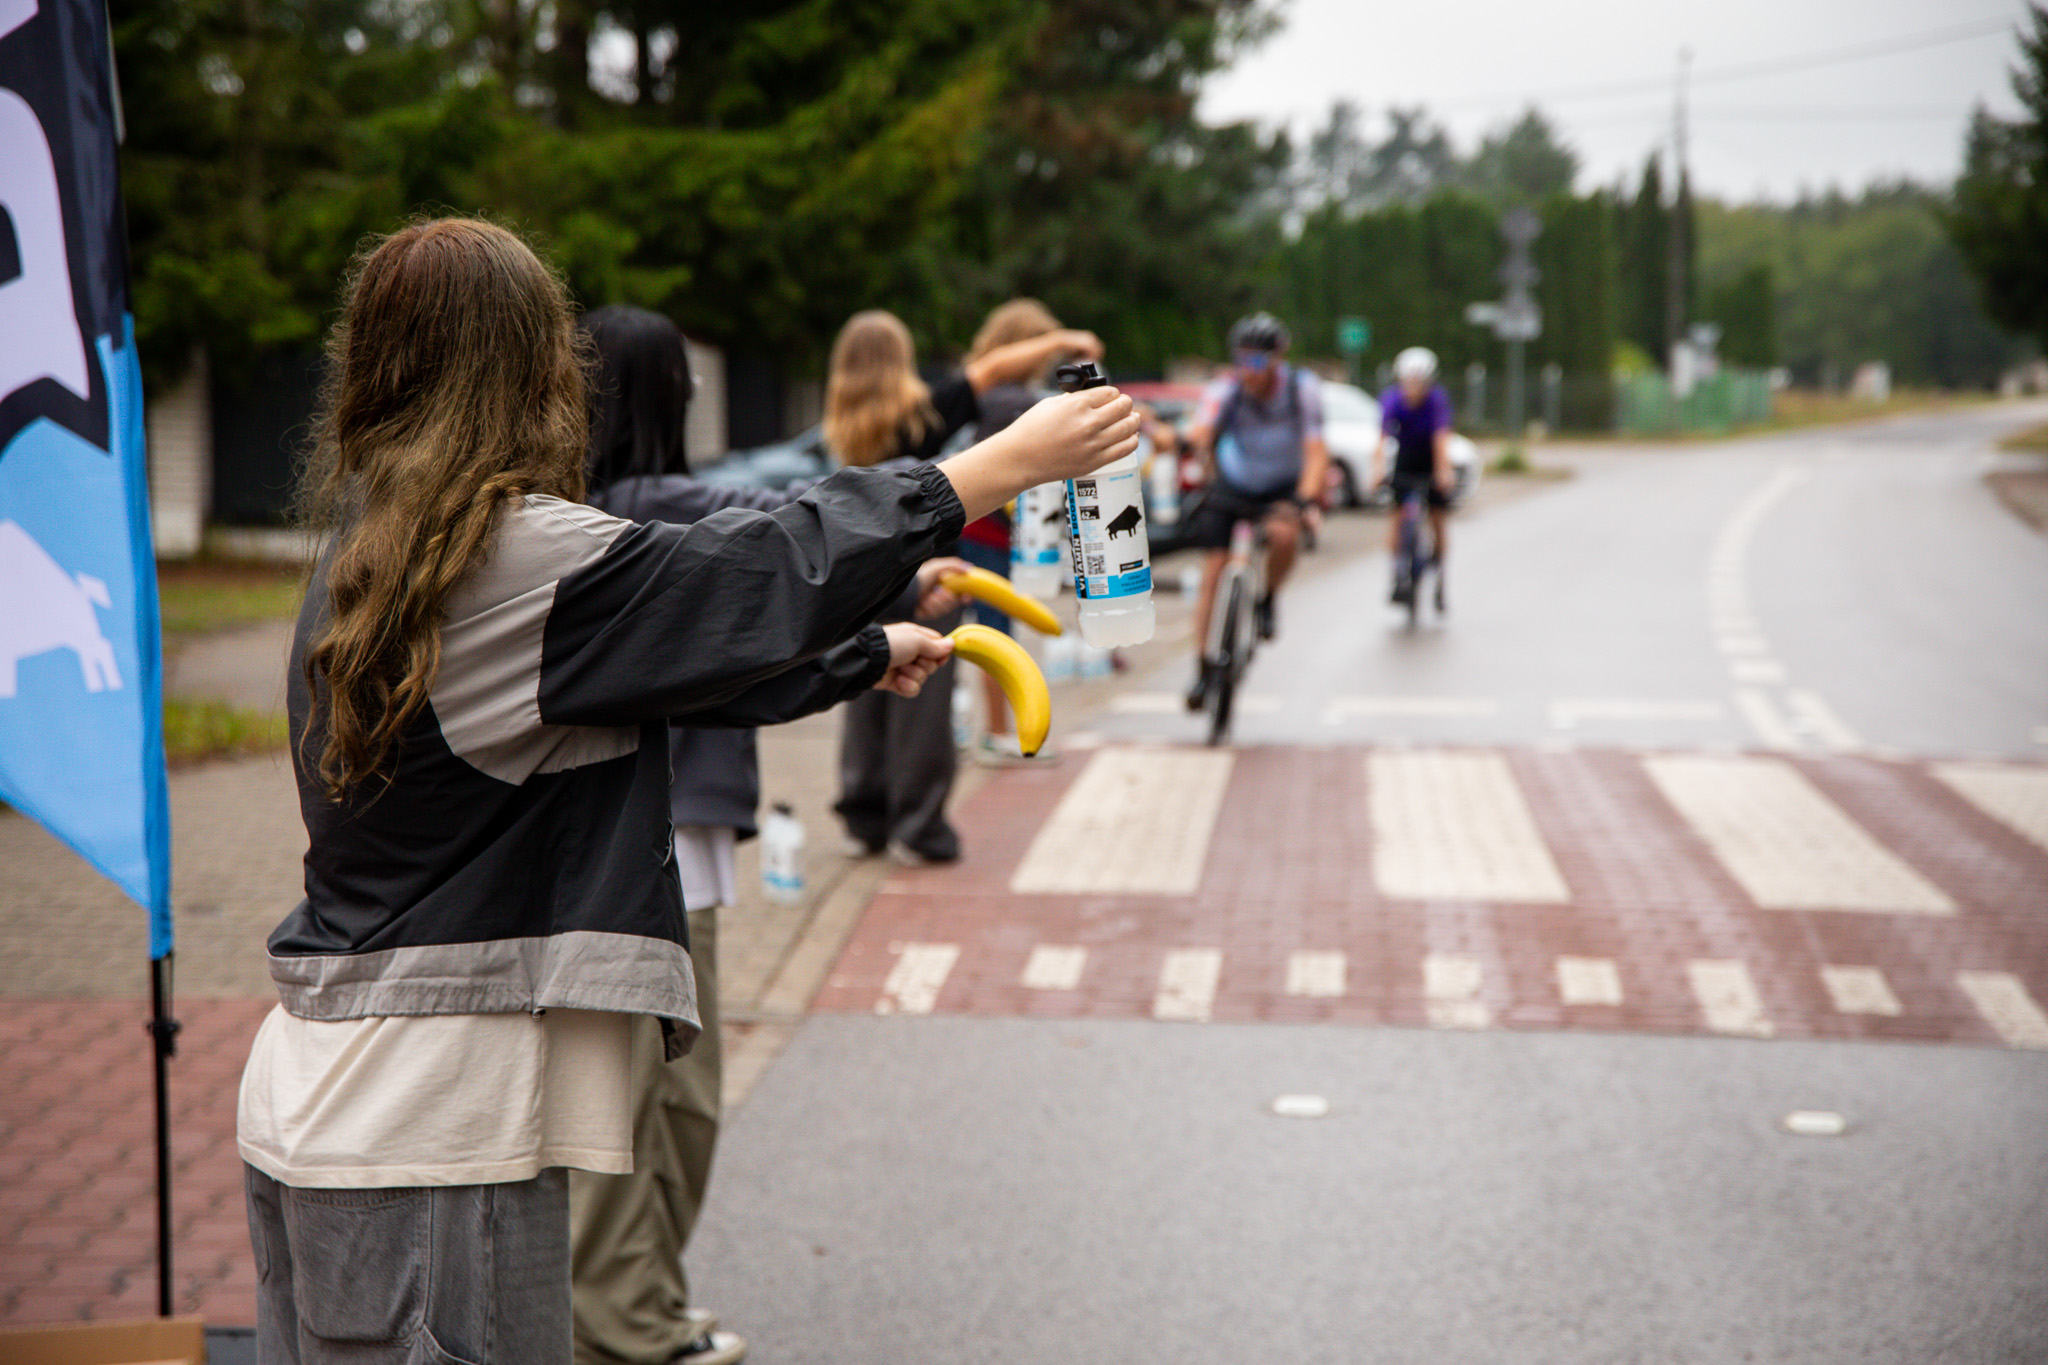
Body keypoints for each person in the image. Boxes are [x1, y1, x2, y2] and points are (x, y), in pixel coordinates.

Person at [235, 219, 1138, 1365]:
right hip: (431, 1134)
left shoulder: (383, 552)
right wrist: (990, 468)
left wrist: (858, 655)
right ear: (530, 371)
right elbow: (750, 571)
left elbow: (640, 663)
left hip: (339, 1102)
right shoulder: (509, 557)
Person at [827, 309, 1101, 863]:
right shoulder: (919, 415)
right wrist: (1065, 338)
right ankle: (919, 827)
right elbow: (993, 368)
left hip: (855, 567)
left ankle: (864, 816)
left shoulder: (842, 426)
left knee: (865, 681)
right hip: (924, 570)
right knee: (921, 697)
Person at [1181, 312, 1329, 711]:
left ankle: (1268, 598)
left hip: (1281, 484)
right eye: (1243, 359)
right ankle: (1202, 668)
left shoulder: (1301, 389)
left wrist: (1306, 498)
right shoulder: (1227, 389)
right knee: (1213, 570)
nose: (1250, 369)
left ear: (1278, 359)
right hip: (1235, 480)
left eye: (1259, 360)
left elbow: (1316, 451)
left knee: (1284, 536)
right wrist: (1189, 442)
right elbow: (1202, 428)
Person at [959, 298, 1079, 765]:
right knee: (996, 631)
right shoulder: (1009, 400)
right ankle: (995, 733)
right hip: (987, 529)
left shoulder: (989, 394)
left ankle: (990, 729)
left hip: (982, 525)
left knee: (990, 627)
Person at [1371, 346, 1455, 611]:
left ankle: (1440, 575)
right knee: (1396, 516)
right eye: (1409, 382)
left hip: (1430, 458)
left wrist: (1444, 471)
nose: (1413, 388)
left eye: (1419, 382)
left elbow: (1440, 438)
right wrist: (1378, 471)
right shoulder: (1392, 399)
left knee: (1437, 517)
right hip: (1406, 457)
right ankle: (1396, 572)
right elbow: (1381, 439)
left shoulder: (1436, 400)